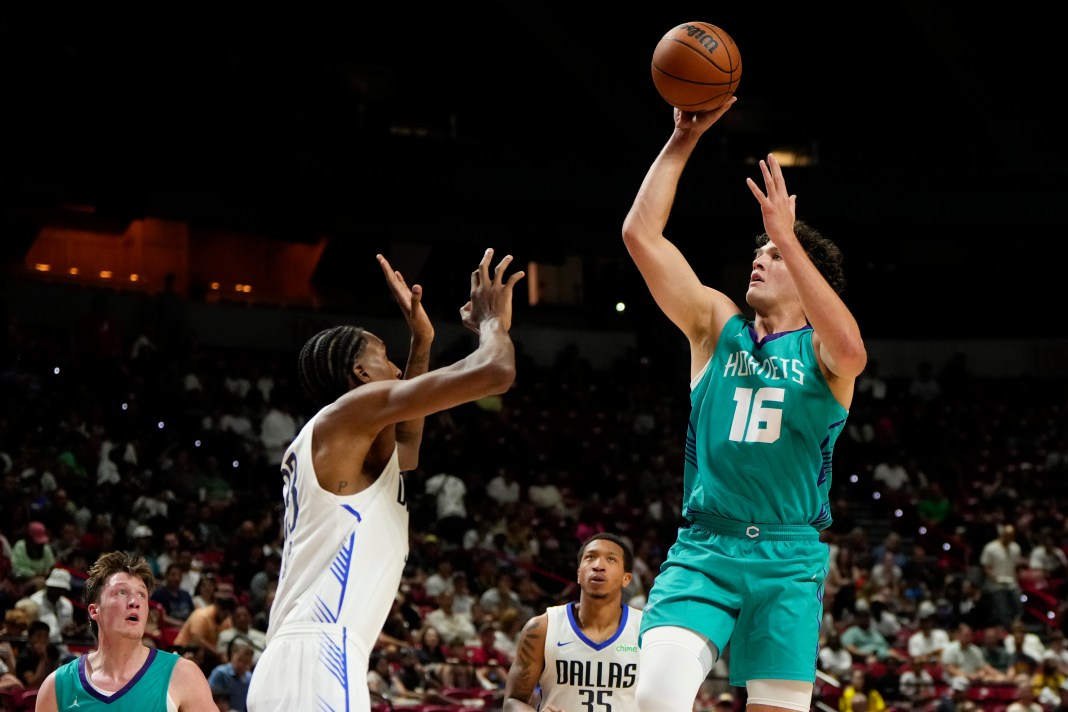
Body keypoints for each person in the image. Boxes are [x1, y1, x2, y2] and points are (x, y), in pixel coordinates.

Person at [621, 98, 867, 712]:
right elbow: (640, 236)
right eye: (760, 251)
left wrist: (790, 235)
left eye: (776, 255)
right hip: (707, 546)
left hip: (789, 557)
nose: (759, 257)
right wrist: (681, 139)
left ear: (809, 277)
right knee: (653, 698)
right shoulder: (715, 324)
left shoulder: (823, 354)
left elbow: (852, 349)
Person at [245, 249, 524, 712]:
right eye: (386, 358)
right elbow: (496, 372)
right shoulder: (349, 412)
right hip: (318, 656)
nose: (396, 370)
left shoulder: (344, 441)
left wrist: (422, 342)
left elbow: (407, 447)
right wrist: (493, 323)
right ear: (360, 374)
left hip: (307, 656)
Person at [33, 550, 216, 711]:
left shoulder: (183, 675)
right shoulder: (58, 685)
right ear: (94, 610)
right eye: (122, 592)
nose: (134, 602)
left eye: (141, 594)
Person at [504, 533, 642, 712]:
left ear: (626, 579)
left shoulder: (647, 631)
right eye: (590, 557)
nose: (598, 566)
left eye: (611, 559)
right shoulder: (542, 628)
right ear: (578, 574)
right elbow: (512, 701)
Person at [207, 639, 255, 711]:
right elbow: (209, 699)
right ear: (233, 655)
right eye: (239, 660)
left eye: (246, 662)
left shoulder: (250, 679)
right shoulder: (220, 673)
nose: (241, 665)